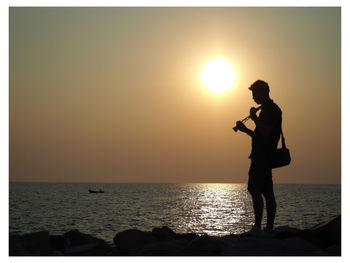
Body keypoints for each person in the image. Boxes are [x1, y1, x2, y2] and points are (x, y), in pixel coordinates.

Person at [235, 80, 282, 233]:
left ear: (263, 92)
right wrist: (245, 130)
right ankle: (267, 228)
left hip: (263, 156)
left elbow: (267, 131)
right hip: (262, 155)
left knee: (255, 189)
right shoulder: (266, 110)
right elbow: (259, 134)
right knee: (267, 191)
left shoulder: (272, 110)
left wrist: (254, 118)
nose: (253, 98)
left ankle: (258, 227)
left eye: (255, 94)